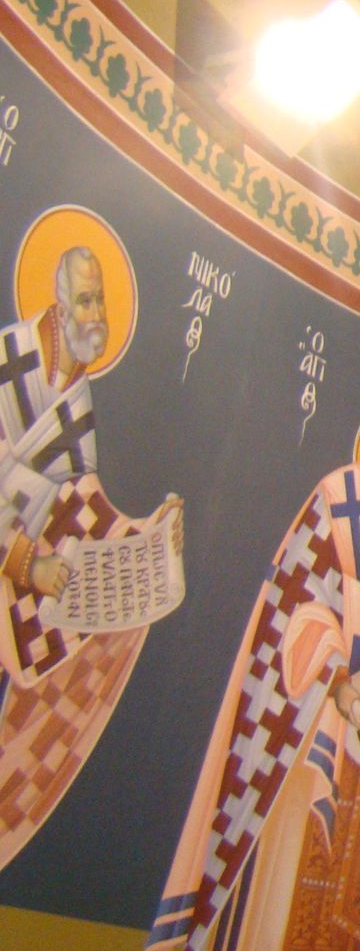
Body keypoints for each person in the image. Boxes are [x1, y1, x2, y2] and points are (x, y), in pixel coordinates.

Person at [148, 439, 360, 951]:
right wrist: (334, 670)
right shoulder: (335, 500)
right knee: (263, 849)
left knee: (312, 874)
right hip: (290, 720)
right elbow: (296, 596)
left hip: (344, 728)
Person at [0, 245, 181, 871]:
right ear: (56, 304)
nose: (96, 312)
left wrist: (150, 540)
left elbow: (83, 509)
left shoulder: (76, 402)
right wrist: (27, 562)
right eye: (85, 299)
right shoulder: (8, 359)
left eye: (101, 298)